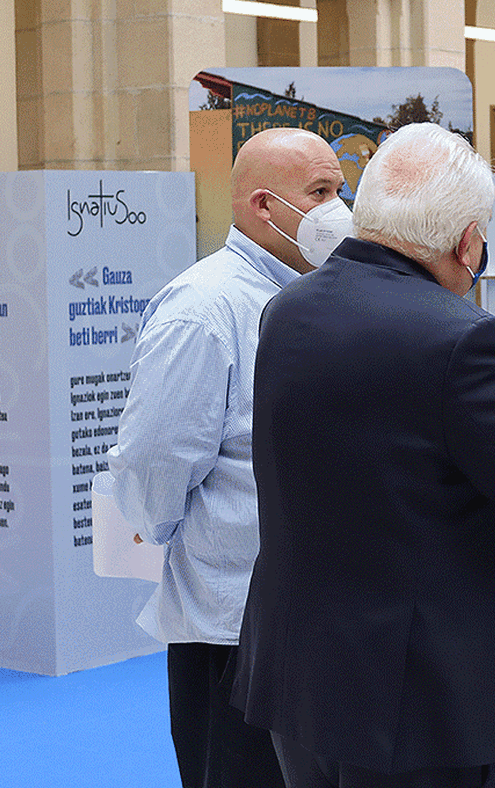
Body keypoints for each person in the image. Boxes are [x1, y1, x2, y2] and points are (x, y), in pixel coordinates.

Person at [231, 122, 495, 788]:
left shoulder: (289, 308)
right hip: (410, 699)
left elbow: (378, 427)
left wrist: (490, 400)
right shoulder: (464, 339)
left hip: (297, 675)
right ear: (469, 238)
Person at [106, 127, 351, 788]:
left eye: (340, 190)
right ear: (264, 207)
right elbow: (155, 460)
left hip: (315, 614)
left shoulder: (318, 293)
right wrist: (157, 532)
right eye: (322, 193)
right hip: (232, 623)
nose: (339, 210)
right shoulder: (205, 308)